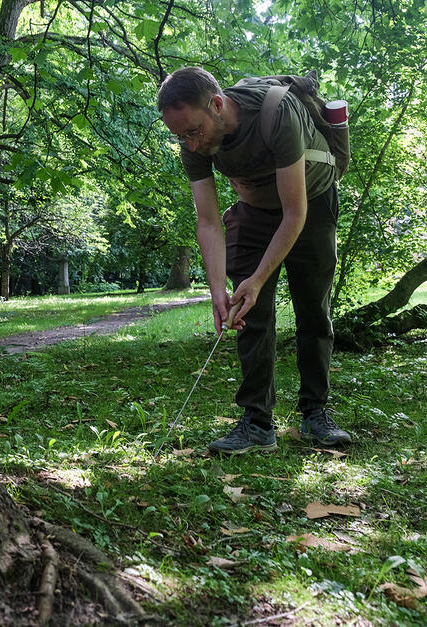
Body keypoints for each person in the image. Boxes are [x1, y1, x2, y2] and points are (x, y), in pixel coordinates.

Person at [157, 66, 352, 455]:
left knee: (313, 310)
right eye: (180, 137)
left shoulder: (277, 112)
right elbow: (209, 221)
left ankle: (316, 413)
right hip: (255, 208)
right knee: (249, 313)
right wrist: (217, 292)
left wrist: (260, 277)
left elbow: (294, 213)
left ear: (217, 105)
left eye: (194, 132)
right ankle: (257, 423)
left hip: (309, 203)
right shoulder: (191, 140)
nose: (190, 145)